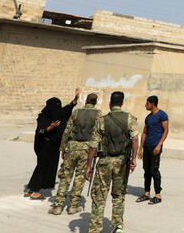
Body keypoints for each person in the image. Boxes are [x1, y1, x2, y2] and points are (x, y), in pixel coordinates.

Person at [85, 91, 139, 233]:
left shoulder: (102, 120)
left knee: (99, 196)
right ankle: (117, 226)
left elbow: (92, 146)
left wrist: (88, 167)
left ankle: (95, 228)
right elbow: (135, 139)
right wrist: (133, 159)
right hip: (122, 162)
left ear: (110, 103)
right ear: (122, 103)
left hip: (104, 162)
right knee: (119, 195)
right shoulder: (130, 119)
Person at [49, 92, 101, 215]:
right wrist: (97, 151)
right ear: (95, 102)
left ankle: (57, 206)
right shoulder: (98, 114)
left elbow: (67, 130)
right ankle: (73, 205)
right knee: (80, 177)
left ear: (86, 101)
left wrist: (63, 148)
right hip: (86, 150)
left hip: (72, 147)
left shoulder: (76, 112)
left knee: (65, 177)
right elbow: (99, 134)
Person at [24, 88, 79, 199]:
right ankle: (35, 191)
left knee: (43, 167)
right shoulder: (43, 117)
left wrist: (74, 100)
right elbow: (39, 131)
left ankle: (30, 189)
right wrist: (50, 127)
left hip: (53, 146)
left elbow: (66, 110)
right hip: (44, 144)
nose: (57, 109)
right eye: (56, 106)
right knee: (41, 167)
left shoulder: (58, 114)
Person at [136, 95, 168, 205]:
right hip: (147, 146)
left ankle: (158, 194)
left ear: (152, 104)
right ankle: (146, 193)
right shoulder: (148, 117)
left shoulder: (162, 115)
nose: (145, 105)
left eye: (147, 103)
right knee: (147, 170)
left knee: (154, 170)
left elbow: (166, 130)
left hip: (156, 147)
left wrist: (159, 145)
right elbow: (144, 132)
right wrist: (140, 149)